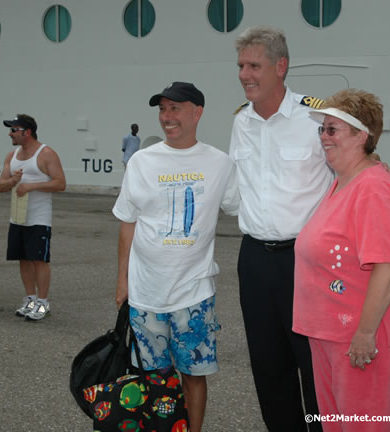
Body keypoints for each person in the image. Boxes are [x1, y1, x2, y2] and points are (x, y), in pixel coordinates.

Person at [114, 82, 239, 432]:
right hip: (146, 294)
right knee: (153, 379)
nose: (167, 117)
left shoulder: (219, 163)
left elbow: (243, 206)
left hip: (194, 294)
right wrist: (122, 280)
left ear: (197, 113)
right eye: (163, 109)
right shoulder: (141, 162)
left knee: (194, 376)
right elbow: (128, 223)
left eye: (175, 109)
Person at [293, 89, 390, 432]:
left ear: (360, 135)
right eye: (322, 129)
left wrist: (365, 333)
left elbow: (389, 265)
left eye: (332, 129)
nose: (323, 136)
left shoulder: (372, 188)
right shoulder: (345, 182)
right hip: (331, 333)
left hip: (361, 339)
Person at [229, 25, 329, 431]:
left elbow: (351, 175)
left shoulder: (317, 116)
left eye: (254, 65)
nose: (244, 74)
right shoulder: (242, 122)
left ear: (281, 67)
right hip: (254, 259)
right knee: (268, 366)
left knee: (316, 364)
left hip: (306, 260)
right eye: (240, 66)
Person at [0, 114, 66, 321]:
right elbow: (0, 186)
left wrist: (31, 185)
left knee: (39, 261)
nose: (10, 134)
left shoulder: (46, 154)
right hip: (18, 218)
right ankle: (30, 298)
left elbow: (60, 183)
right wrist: (13, 181)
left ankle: (43, 303)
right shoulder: (12, 155)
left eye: (13, 130)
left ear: (26, 132)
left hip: (39, 218)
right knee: (23, 259)